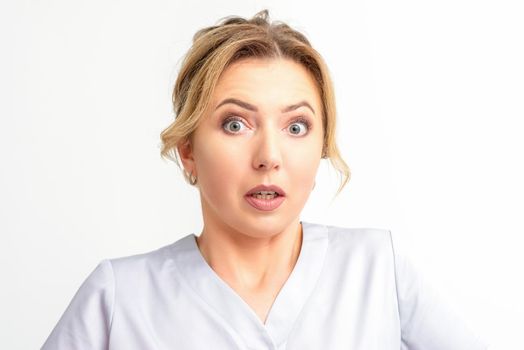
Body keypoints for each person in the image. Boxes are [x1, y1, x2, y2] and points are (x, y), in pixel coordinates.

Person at [42, 10, 486, 349]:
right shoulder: (119, 299)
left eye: (296, 127)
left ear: (322, 145)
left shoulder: (377, 271)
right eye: (236, 124)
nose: (269, 157)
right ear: (188, 150)